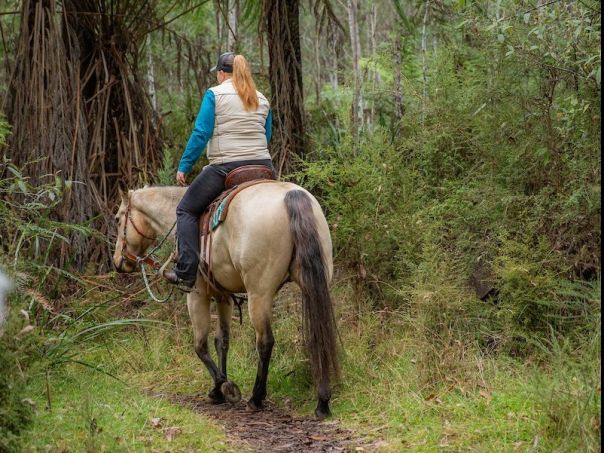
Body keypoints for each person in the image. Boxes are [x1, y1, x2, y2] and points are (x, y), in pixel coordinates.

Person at [163, 52, 274, 291]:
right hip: (264, 167)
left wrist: (184, 166)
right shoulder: (262, 98)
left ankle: (187, 272)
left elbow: (201, 133)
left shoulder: (215, 94)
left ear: (221, 73)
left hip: (227, 167)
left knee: (185, 210)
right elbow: (266, 135)